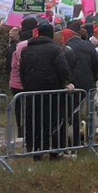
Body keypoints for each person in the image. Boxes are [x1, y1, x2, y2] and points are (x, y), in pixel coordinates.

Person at [19, 23, 73, 159]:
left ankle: (36, 150)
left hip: (32, 91)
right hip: (52, 91)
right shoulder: (55, 49)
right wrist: (66, 82)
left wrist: (27, 86)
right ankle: (54, 150)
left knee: (35, 121)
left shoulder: (26, 50)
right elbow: (63, 69)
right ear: (52, 34)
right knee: (53, 121)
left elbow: (22, 71)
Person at [62, 28, 98, 149]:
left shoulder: (64, 48)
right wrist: (93, 79)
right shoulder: (88, 46)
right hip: (88, 85)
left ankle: (74, 141)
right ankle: (89, 139)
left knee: (73, 114)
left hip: (71, 87)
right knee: (88, 113)